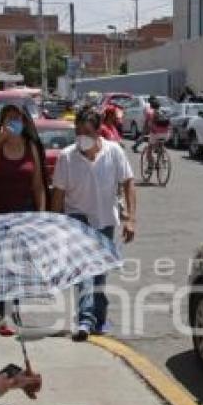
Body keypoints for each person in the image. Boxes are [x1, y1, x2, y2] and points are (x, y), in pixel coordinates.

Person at [51, 107, 136, 341]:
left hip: (105, 220)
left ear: (99, 132)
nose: (81, 137)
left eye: (86, 132)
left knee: (99, 273)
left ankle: (99, 317)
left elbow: (128, 183)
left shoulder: (114, 152)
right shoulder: (67, 157)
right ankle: (85, 320)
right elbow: (58, 193)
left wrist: (130, 218)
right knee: (83, 270)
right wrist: (55, 225)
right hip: (76, 219)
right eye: (77, 132)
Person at [0, 103, 48, 214]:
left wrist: (41, 213)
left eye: (17, 118)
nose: (14, 122)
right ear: (3, 123)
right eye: (10, 118)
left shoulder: (31, 146)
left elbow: (38, 185)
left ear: (24, 123)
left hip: (26, 211)